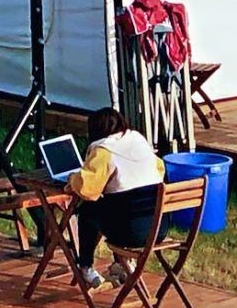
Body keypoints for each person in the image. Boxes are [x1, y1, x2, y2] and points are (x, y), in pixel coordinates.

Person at [64, 108, 165, 287]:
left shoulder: (103, 150)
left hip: (129, 232)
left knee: (89, 209)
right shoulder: (138, 140)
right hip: (159, 229)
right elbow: (160, 168)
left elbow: (87, 190)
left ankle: (85, 266)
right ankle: (122, 264)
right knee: (117, 205)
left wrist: (72, 179)